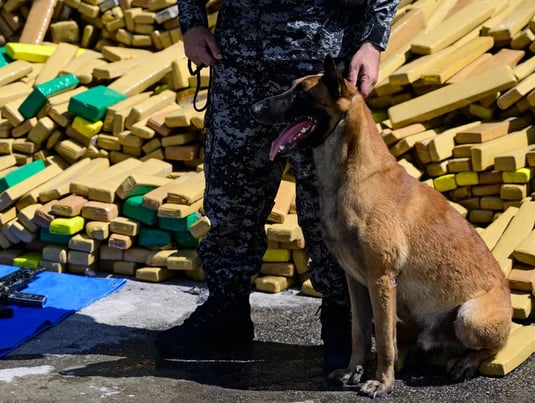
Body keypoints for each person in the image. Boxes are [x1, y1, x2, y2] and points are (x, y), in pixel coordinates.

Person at [156, 0, 401, 374]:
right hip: (238, 64)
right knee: (229, 204)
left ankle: (344, 329)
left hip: (320, 71)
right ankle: (226, 316)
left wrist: (373, 40)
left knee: (332, 215)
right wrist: (191, 23)